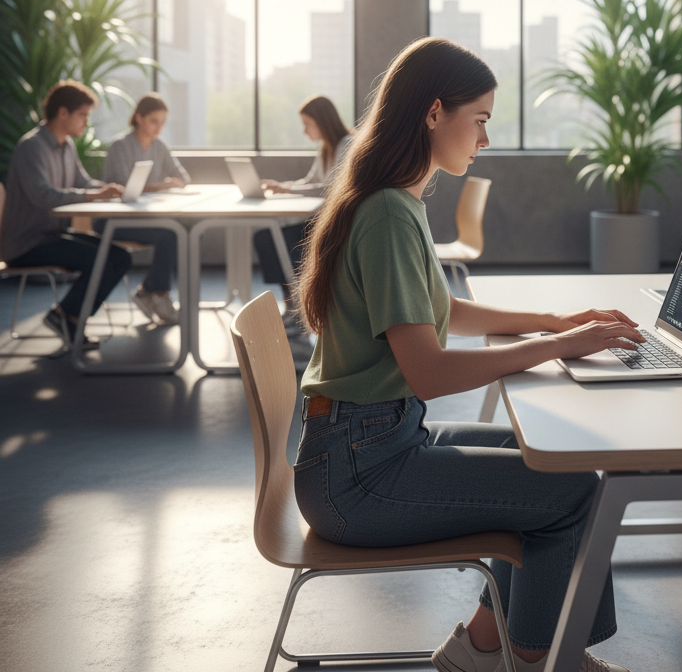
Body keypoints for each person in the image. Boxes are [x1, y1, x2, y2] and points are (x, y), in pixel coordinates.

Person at [295, 38, 643, 672]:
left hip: (366, 445)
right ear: (434, 113)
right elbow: (427, 370)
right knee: (573, 493)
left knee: (539, 455)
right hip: (357, 476)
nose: (484, 138)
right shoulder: (389, 214)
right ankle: (538, 661)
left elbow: (439, 312)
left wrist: (551, 321)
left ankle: (484, 648)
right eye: (479, 119)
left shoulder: (393, 200)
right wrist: (557, 346)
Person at [0, 80, 130, 351]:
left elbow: (82, 183)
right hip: (26, 243)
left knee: (120, 257)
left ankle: (67, 316)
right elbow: (44, 196)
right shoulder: (31, 148)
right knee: (102, 260)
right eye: (82, 115)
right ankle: (65, 317)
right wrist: (93, 195)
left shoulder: (67, 146)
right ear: (63, 113)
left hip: (52, 235)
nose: (86, 123)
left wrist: (108, 190)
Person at [254, 95, 352, 330]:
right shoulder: (326, 149)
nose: (304, 130)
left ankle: (299, 309)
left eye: (307, 124)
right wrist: (284, 186)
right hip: (320, 220)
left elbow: (330, 189)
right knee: (266, 236)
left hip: (336, 226)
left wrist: (288, 188)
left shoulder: (346, 145)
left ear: (322, 121)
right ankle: (293, 307)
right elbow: (311, 181)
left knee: (273, 238)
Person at [101, 92, 190, 325]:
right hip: (115, 220)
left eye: (162, 122)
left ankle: (151, 291)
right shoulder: (120, 146)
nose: (159, 128)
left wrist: (169, 184)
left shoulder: (160, 146)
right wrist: (162, 186)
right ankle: (157, 293)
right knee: (171, 235)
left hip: (149, 217)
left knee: (182, 229)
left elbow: (183, 178)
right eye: (154, 121)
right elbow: (121, 187)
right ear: (138, 118)